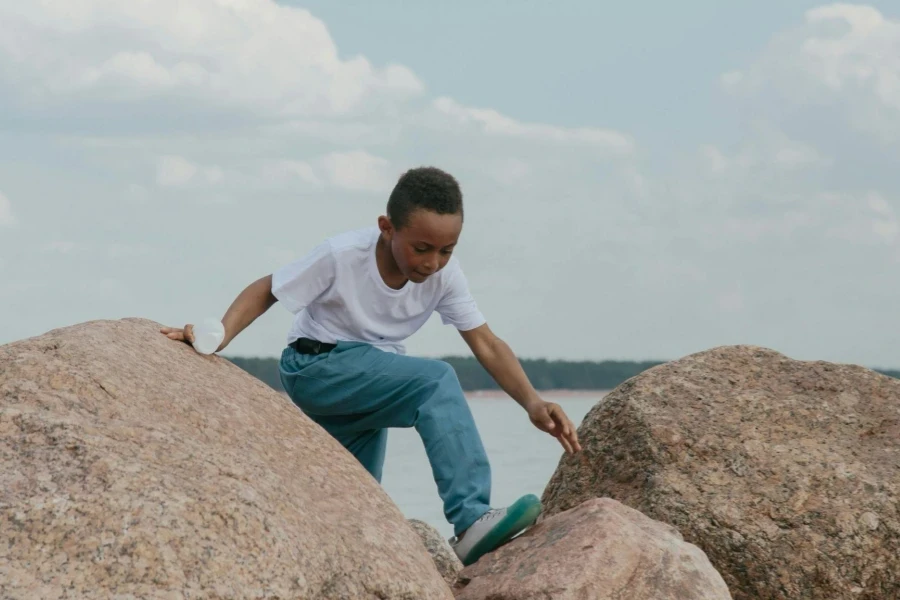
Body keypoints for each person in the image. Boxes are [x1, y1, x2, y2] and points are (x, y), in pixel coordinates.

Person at [160, 166, 582, 566]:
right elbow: (268, 289)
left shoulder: (445, 277)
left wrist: (532, 402)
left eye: (446, 250)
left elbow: (486, 343)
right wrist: (217, 336)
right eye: (422, 248)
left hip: (367, 382)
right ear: (387, 227)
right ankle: (470, 518)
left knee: (355, 506)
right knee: (436, 381)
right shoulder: (342, 254)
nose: (433, 262)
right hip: (315, 366)